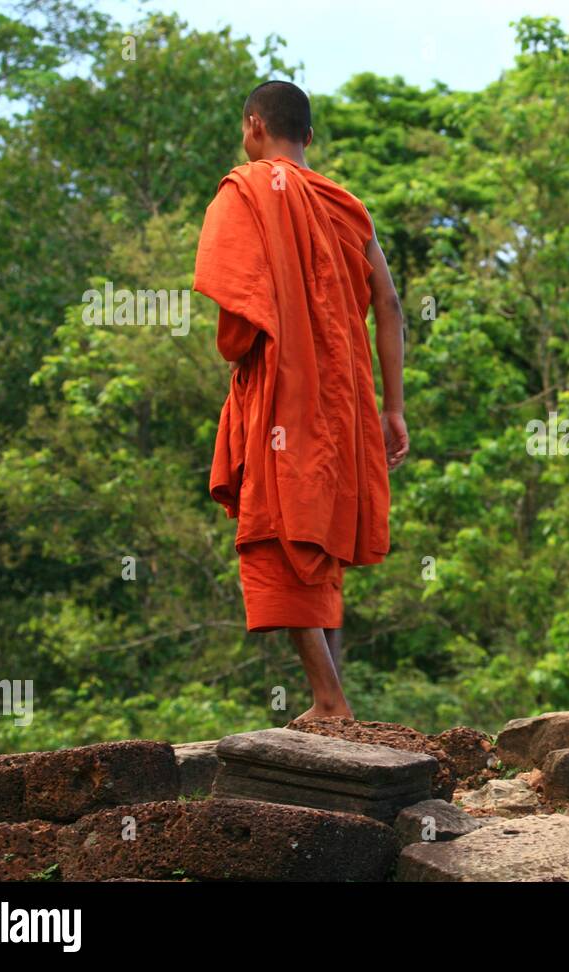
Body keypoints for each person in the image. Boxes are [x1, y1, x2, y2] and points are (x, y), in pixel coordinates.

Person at [195, 80, 409, 721]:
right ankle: (330, 697)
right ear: (308, 136)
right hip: (342, 399)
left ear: (253, 125)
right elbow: (391, 305)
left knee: (278, 530)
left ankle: (329, 699)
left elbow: (237, 320)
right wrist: (393, 409)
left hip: (284, 395)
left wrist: (240, 352)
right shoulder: (348, 207)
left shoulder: (245, 190)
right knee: (306, 527)